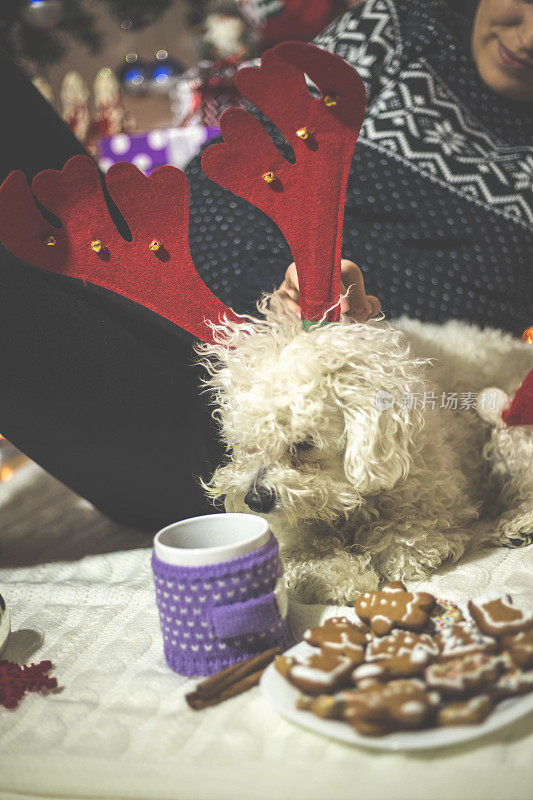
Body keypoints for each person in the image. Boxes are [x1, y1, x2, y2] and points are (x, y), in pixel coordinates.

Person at [0, 0, 531, 529]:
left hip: (271, 429)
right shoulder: (402, 24)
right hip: (162, 276)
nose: (528, 36)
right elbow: (240, 151)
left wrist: (357, 342)